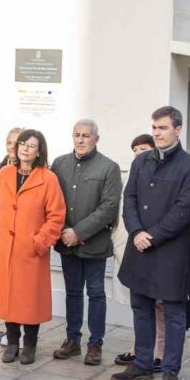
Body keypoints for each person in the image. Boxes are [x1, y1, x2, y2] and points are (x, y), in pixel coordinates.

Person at [111, 106, 190, 380]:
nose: (156, 133)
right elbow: (130, 199)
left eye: (162, 128)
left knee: (174, 312)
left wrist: (152, 236)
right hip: (139, 247)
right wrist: (137, 232)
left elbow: (184, 210)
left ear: (177, 130)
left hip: (170, 250)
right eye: (154, 128)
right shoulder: (141, 162)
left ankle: (170, 370)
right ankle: (142, 362)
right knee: (141, 308)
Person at [0, 129, 66, 365]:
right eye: (23, 144)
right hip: (6, 248)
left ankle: (29, 344)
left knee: (29, 300)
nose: (26, 149)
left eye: (31, 145)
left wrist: (39, 241)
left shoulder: (48, 178)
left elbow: (56, 216)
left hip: (31, 250)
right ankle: (11, 342)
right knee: (9, 298)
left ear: (39, 151)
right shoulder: (4, 174)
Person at [51, 119, 121, 365]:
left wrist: (78, 232)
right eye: (77, 135)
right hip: (65, 242)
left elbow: (109, 207)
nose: (80, 140)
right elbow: (51, 200)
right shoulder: (59, 164)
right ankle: (72, 340)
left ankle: (95, 344)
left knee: (96, 293)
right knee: (72, 292)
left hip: (94, 243)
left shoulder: (109, 167)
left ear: (96, 139)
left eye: (86, 136)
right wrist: (62, 231)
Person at [114, 135, 165, 371]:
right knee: (140, 304)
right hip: (132, 245)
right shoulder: (132, 175)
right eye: (134, 149)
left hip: (157, 245)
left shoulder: (161, 175)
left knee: (160, 305)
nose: (138, 153)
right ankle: (140, 349)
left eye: (143, 149)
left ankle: (160, 353)